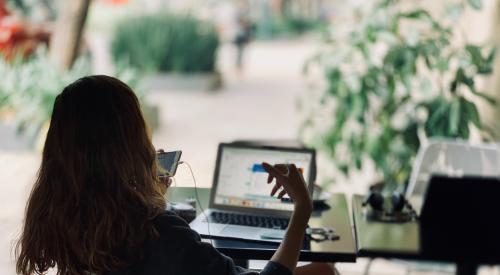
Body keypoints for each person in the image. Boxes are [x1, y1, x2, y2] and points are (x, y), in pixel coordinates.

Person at [15, 75, 337, 275]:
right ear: (130, 142)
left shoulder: (60, 216)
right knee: (324, 270)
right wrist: (301, 211)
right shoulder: (158, 233)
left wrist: (151, 200)